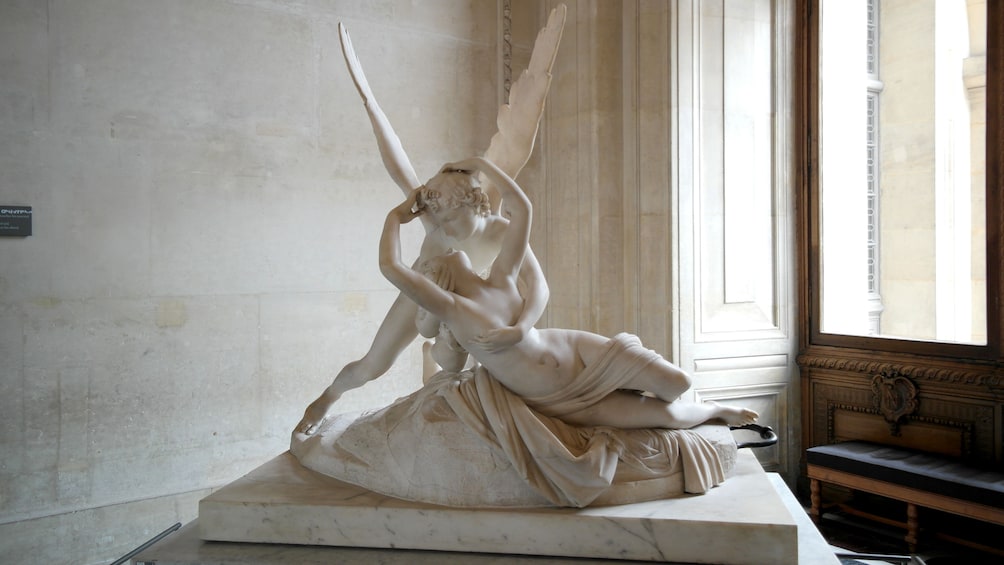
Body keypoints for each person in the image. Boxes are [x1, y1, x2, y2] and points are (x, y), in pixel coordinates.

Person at [380, 156, 758, 430]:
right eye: (442, 258)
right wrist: (396, 217)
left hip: (575, 350)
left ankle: (678, 395)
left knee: (678, 384)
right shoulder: (452, 308)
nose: (448, 249)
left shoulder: (500, 276)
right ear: (440, 277)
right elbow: (390, 267)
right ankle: (713, 412)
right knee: (670, 417)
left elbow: (523, 209)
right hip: (557, 397)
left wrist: (481, 163)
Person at [296, 166, 549, 435]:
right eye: (440, 220)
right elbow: (399, 168)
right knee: (372, 365)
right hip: (423, 292)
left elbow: (538, 285)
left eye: (450, 219)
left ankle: (434, 364)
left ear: (470, 202)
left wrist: (521, 328)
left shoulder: (503, 231)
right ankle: (326, 399)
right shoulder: (437, 232)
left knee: (471, 367)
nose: (445, 229)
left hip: (463, 297)